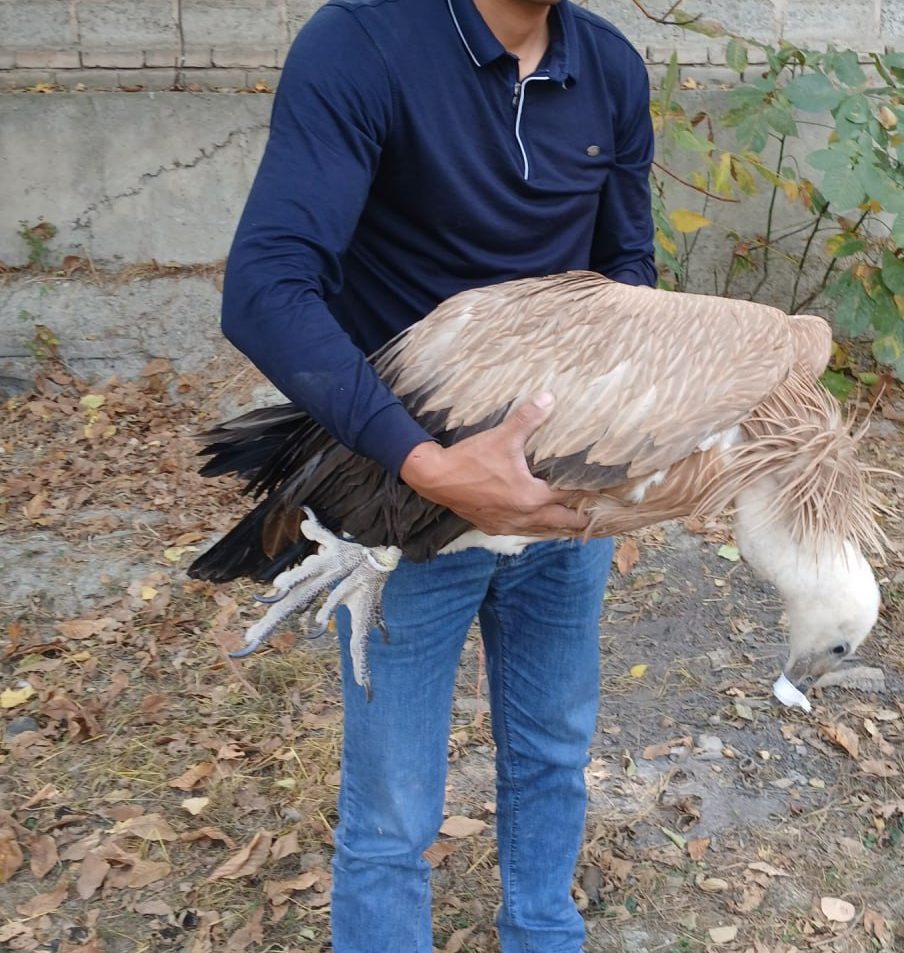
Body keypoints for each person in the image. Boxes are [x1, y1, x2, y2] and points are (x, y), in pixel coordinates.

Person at [218, 0, 655, 948]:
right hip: (404, 504)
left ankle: (543, 932)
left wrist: (616, 449)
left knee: (551, 755)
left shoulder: (610, 68)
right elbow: (264, 287)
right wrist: (429, 462)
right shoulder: (363, 44)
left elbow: (627, 272)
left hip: (558, 505)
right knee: (393, 813)